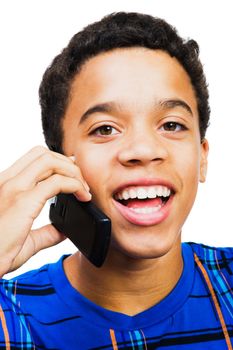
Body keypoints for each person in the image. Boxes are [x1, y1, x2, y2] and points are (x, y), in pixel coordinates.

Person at [0, 11, 232, 349]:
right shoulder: (11, 314)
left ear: (202, 157)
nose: (143, 149)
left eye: (171, 125)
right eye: (105, 129)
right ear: (58, 167)